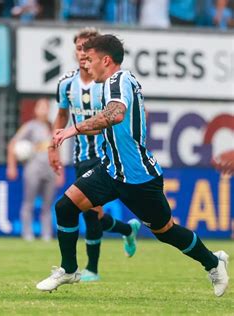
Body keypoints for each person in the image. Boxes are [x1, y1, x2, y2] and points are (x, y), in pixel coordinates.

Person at [37, 34, 229, 297]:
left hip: (138, 177)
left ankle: (212, 262)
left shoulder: (119, 80)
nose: (86, 65)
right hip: (110, 170)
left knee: (166, 232)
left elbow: (116, 113)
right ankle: (69, 269)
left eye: (90, 59)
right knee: (66, 206)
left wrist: (73, 130)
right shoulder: (104, 84)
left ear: (106, 60)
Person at [49, 28, 140, 282]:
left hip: (105, 154)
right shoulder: (66, 83)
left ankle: (92, 269)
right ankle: (126, 229)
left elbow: (117, 114)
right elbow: (61, 115)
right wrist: (51, 147)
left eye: (86, 49)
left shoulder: (108, 84)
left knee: (89, 211)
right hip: (81, 154)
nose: (82, 54)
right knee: (92, 212)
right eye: (78, 48)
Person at [6, 98, 61, 241]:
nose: (43, 110)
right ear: (36, 110)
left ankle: (47, 234)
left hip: (50, 169)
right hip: (33, 167)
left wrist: (60, 171)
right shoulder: (30, 126)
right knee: (28, 202)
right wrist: (11, 166)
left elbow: (56, 150)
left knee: (48, 204)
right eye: (40, 107)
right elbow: (13, 144)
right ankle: (27, 233)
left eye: (46, 107)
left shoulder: (52, 127)